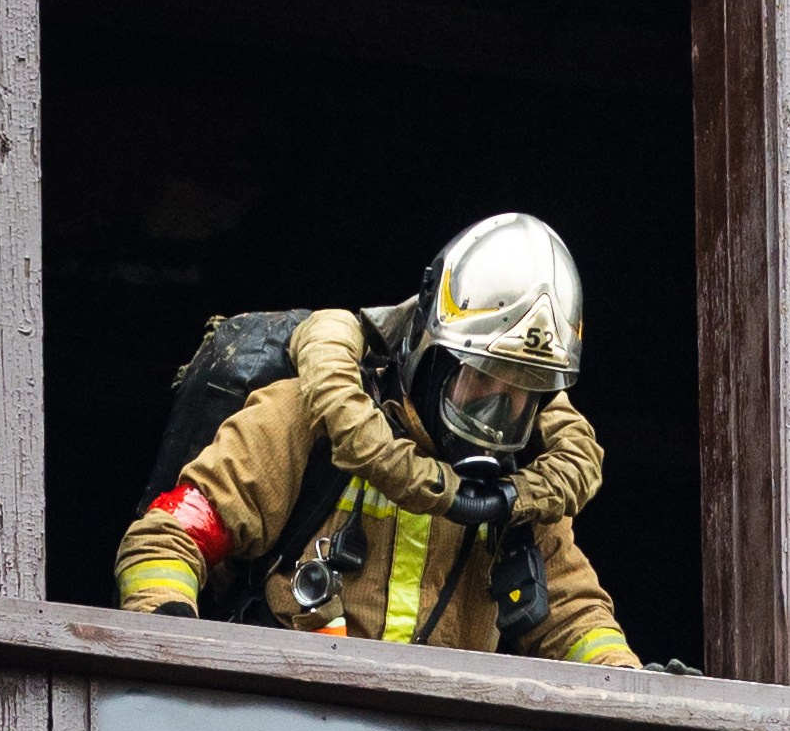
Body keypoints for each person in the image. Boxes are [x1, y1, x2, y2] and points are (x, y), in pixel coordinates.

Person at [113, 211, 641, 666]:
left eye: (522, 393)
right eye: (479, 378)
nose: (494, 413)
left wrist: (629, 683)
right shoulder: (311, 419)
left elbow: (574, 617)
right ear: (429, 355)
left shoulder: (523, 482)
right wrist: (172, 639)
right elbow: (168, 539)